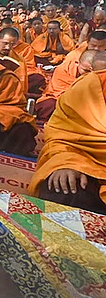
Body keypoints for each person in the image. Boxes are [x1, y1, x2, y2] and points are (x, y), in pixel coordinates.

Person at [29, 61, 106, 215]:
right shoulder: (91, 85)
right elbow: (61, 134)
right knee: (62, 185)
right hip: (91, 162)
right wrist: (67, 161)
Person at [36, 50, 98, 122]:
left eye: (92, 71)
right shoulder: (63, 70)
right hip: (61, 100)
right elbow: (59, 92)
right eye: (86, 70)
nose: (88, 74)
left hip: (85, 105)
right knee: (49, 105)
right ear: (78, 63)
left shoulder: (98, 74)